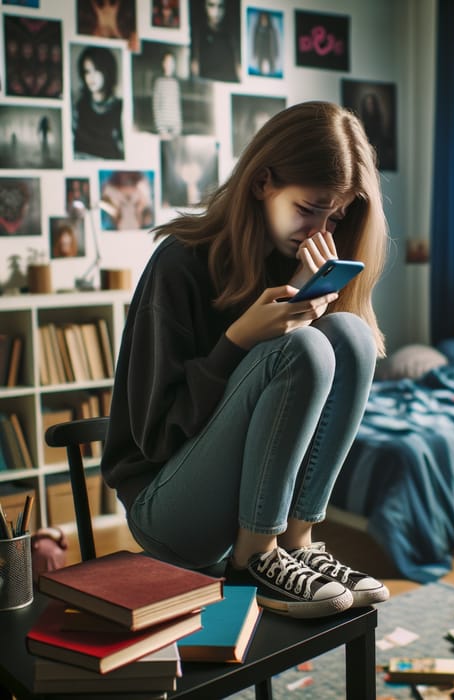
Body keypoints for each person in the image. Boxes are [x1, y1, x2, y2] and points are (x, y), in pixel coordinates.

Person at [101, 101, 390, 618]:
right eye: (308, 209)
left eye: (336, 215)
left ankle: (296, 543)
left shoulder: (295, 260)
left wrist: (300, 297)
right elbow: (156, 437)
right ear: (263, 183)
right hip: (165, 505)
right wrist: (237, 340)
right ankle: (254, 558)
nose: (320, 231)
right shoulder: (180, 264)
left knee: (351, 334)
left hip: (244, 501)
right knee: (301, 347)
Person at [73, 46, 124, 160]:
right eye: (87, 72)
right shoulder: (79, 106)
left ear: (107, 71)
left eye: (96, 70)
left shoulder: (120, 108)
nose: (91, 77)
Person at [190, 0, 241, 82]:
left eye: (220, 6)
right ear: (204, 5)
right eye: (211, 5)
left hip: (227, 87)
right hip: (206, 88)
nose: (216, 12)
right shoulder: (197, 35)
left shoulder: (232, 36)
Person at [152, 50, 182, 137]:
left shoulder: (175, 83)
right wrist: (161, 129)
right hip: (163, 129)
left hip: (175, 128)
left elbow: (177, 106)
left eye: (171, 62)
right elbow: (156, 106)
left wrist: (178, 127)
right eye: (167, 62)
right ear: (163, 64)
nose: (169, 65)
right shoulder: (159, 82)